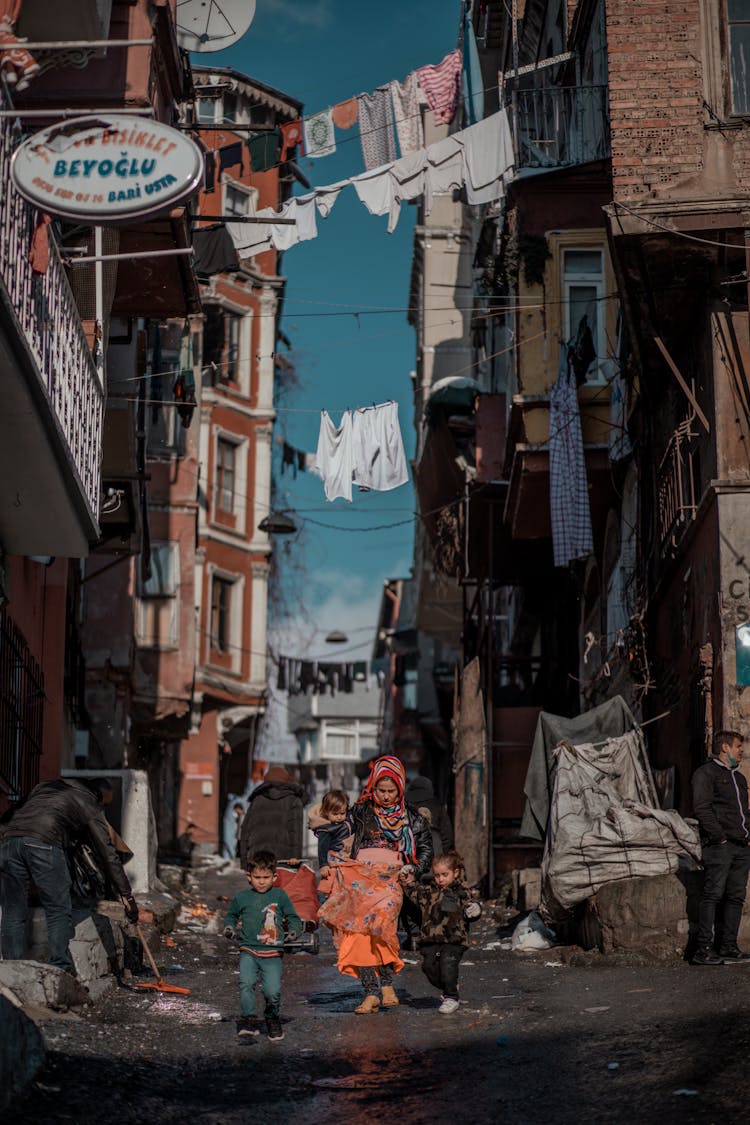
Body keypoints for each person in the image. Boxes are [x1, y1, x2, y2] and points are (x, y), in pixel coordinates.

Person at [318, 755, 433, 1014]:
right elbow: (329, 823)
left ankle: (388, 984)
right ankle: (371, 992)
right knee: (359, 935)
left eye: (392, 791)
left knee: (383, 927)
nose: (386, 795)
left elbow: (425, 847)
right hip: (360, 879)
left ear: (401, 788)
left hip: (392, 879)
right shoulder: (359, 811)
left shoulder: (412, 818)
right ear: (372, 787)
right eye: (381, 790)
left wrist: (413, 868)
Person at [0, 777, 138, 976]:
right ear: (98, 794)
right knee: (58, 908)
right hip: (43, 841)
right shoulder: (88, 801)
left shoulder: (45, 786)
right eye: (104, 804)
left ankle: (10, 969)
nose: (103, 808)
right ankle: (60, 970)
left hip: (9, 842)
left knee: (13, 910)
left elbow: (16, 812)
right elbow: (107, 853)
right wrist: (127, 895)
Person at [223, 850, 302, 1041]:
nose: (261, 881)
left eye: (266, 877)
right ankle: (248, 1019)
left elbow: (293, 918)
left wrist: (294, 930)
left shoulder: (280, 896)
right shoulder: (242, 897)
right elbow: (231, 915)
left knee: (272, 991)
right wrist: (229, 927)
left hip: (272, 952)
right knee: (246, 983)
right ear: (248, 877)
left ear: (274, 877)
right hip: (248, 949)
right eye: (257, 877)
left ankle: (272, 1018)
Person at [691, 729, 750, 965]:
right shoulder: (705, 774)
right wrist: (719, 838)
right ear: (724, 747)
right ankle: (702, 949)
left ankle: (728, 946)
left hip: (742, 846)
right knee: (713, 895)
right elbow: (702, 808)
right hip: (719, 847)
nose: (742, 750)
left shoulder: (739, 778)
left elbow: (744, 812)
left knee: (736, 897)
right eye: (738, 746)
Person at [400, 850, 481, 1013]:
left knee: (448, 965)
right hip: (430, 939)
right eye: (437, 875)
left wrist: (476, 910)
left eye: (445, 874)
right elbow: (413, 892)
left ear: (455, 873)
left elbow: (471, 907)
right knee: (428, 968)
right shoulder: (428, 892)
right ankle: (449, 985)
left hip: (454, 939)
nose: (440, 879)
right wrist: (407, 881)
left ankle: (451, 997)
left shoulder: (461, 892)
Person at [238, 766, 305, 869]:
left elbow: (245, 831)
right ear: (287, 781)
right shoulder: (294, 801)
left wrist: (244, 861)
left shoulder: (257, 800)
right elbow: (295, 832)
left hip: (257, 859)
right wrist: (296, 857)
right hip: (284, 860)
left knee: (261, 883)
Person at [307, 788, 353, 880]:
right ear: (326, 812)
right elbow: (322, 847)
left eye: (342, 813)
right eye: (335, 814)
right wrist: (323, 865)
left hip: (347, 855)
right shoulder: (326, 828)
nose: (339, 817)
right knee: (334, 880)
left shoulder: (347, 819)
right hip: (335, 858)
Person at [405, 775, 453, 851]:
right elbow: (447, 835)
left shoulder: (404, 803)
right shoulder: (437, 804)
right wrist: (441, 851)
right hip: (433, 846)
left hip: (408, 846)